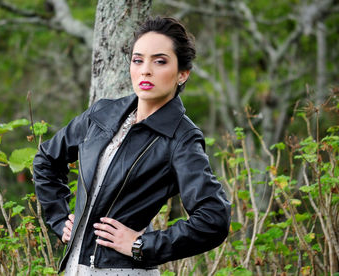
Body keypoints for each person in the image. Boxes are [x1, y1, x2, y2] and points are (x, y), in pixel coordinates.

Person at [33, 16, 231, 275]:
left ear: (183, 74)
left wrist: (141, 245)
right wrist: (60, 219)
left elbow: (213, 218)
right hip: (74, 268)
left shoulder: (181, 137)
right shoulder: (102, 114)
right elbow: (46, 160)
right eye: (138, 60)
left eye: (160, 61)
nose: (145, 70)